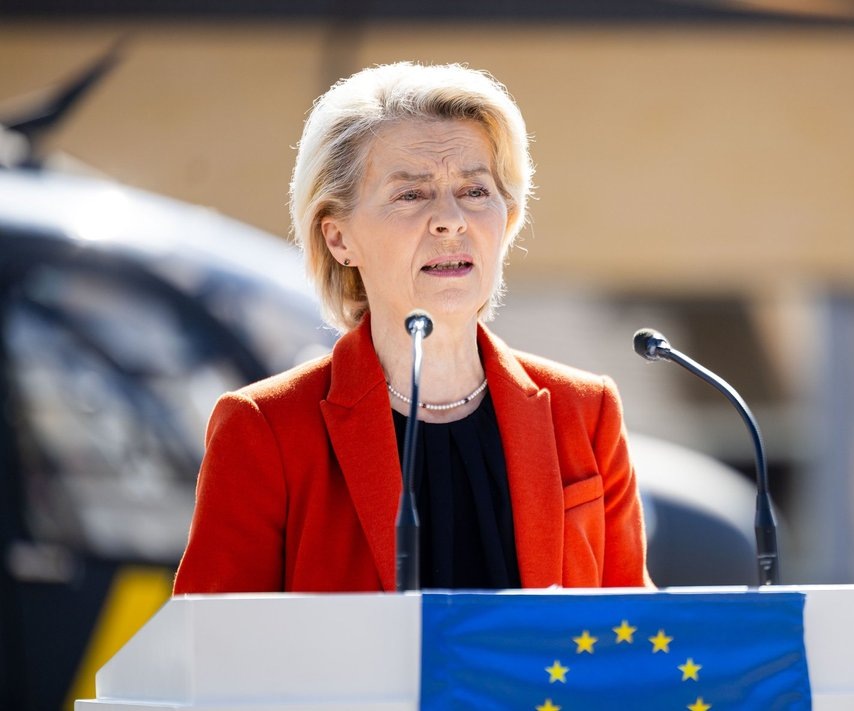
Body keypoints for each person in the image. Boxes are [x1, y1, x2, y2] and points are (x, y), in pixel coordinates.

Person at [173, 62, 651, 593]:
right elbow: (213, 637)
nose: (451, 220)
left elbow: (634, 626)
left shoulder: (584, 412)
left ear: (508, 219)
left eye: (475, 191)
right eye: (411, 195)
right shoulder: (265, 429)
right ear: (338, 239)